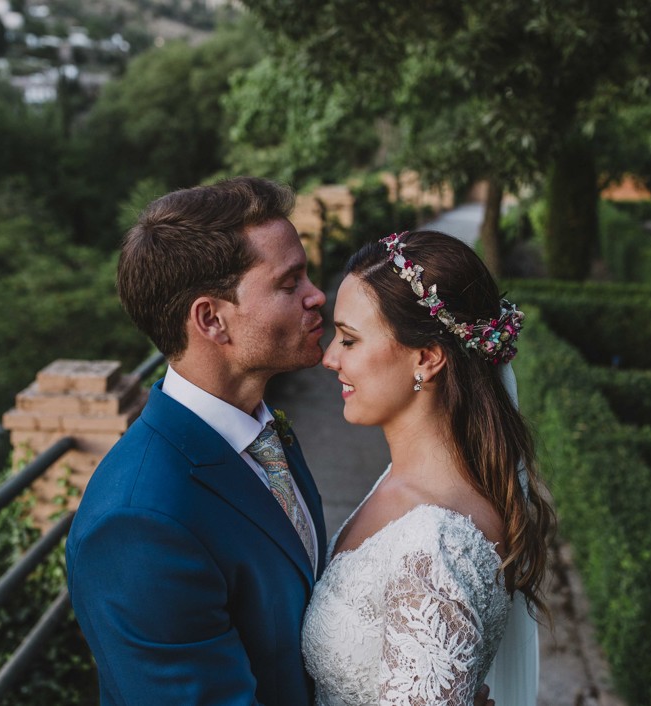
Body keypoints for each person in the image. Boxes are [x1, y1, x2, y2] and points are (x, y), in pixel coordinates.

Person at [66, 177, 330, 705]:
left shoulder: (260, 430)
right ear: (212, 319)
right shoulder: (138, 522)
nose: (317, 295)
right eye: (289, 282)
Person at [302, 230, 556, 705]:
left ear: (426, 358)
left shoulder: (437, 545)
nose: (329, 358)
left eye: (350, 340)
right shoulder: (401, 482)